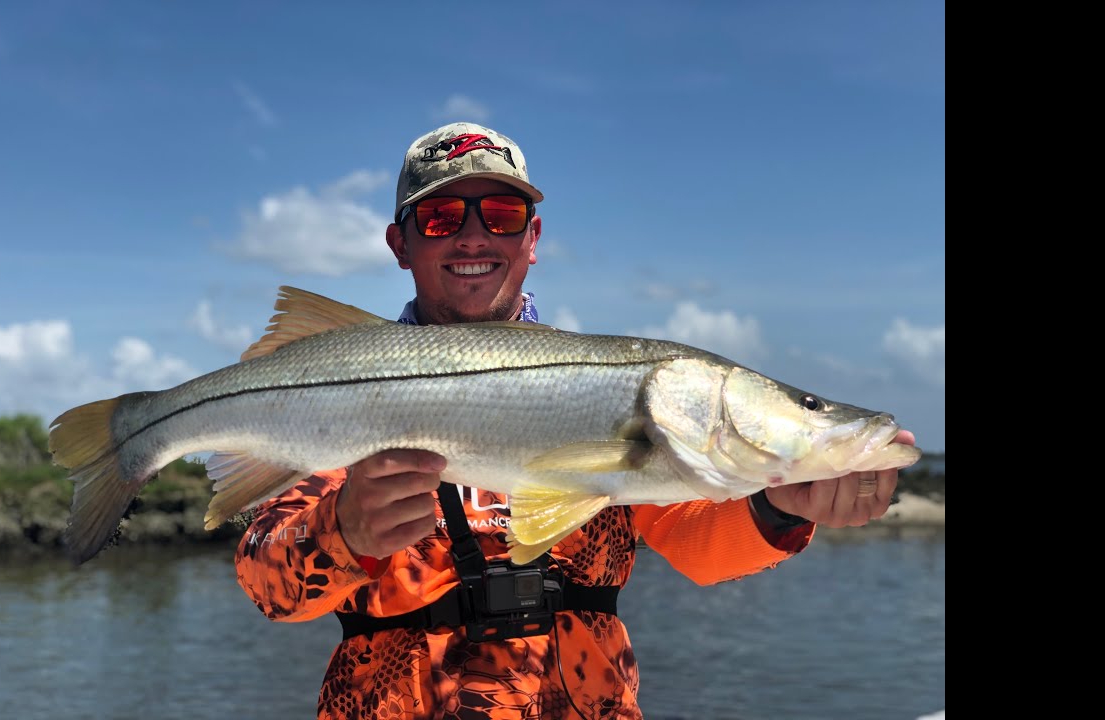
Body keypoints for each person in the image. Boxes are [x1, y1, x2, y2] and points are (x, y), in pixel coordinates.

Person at [235, 121, 915, 719]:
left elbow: (701, 549)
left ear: (532, 238)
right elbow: (268, 587)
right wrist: (342, 529)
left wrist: (779, 511)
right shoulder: (329, 387)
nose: (474, 235)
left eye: (500, 214)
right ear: (400, 243)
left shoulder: (610, 390)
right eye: (441, 218)